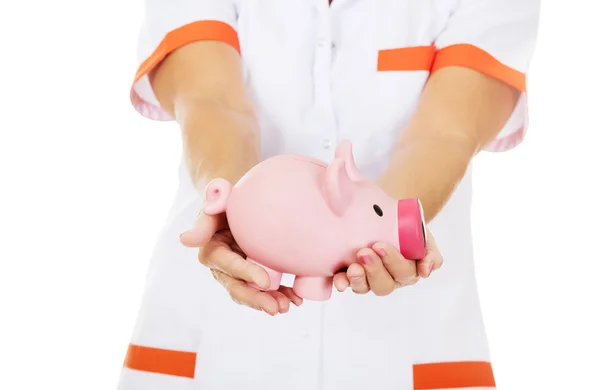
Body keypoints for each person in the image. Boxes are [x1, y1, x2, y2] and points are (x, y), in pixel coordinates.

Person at [118, 0, 539, 389]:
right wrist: (234, 208)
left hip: (410, 348)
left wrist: (386, 230)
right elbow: (210, 100)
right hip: (211, 347)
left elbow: (448, 132)